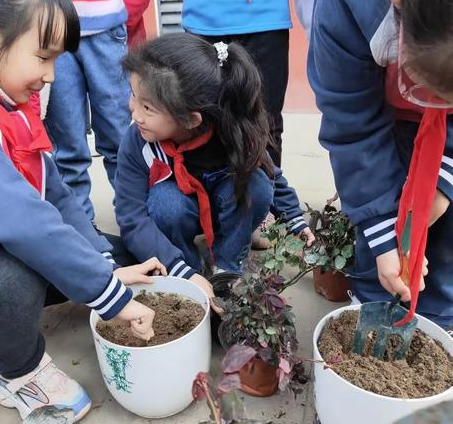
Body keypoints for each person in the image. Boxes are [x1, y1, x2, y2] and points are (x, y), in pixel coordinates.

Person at [0, 0, 163, 423]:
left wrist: (104, 267)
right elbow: (24, 220)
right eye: (44, 57)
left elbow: (55, 194)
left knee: (109, 256)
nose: (53, 75)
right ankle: (16, 373)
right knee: (11, 275)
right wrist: (112, 299)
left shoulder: (9, 100)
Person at [115, 33, 314, 309]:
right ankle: (187, 271)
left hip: (225, 208)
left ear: (190, 119)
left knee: (256, 185)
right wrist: (179, 269)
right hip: (180, 213)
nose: (135, 113)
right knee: (165, 203)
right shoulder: (138, 142)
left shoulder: (235, 133)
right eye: (134, 97)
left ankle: (228, 266)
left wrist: (295, 220)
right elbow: (131, 217)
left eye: (147, 107)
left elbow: (272, 174)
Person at [308, 0, 453, 330]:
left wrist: (444, 179)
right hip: (381, 117)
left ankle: (440, 325)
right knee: (379, 248)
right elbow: (351, 121)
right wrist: (382, 228)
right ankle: (373, 302)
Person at [167, 0, 322, 167]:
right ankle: (211, 196)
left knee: (266, 121)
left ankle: (268, 195)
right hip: (204, 19)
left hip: (266, 20)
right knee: (204, 120)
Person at [45, 0, 158, 222]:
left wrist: (122, 14)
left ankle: (136, 221)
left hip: (108, 30)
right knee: (66, 142)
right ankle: (80, 227)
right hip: (51, 32)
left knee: (120, 136)